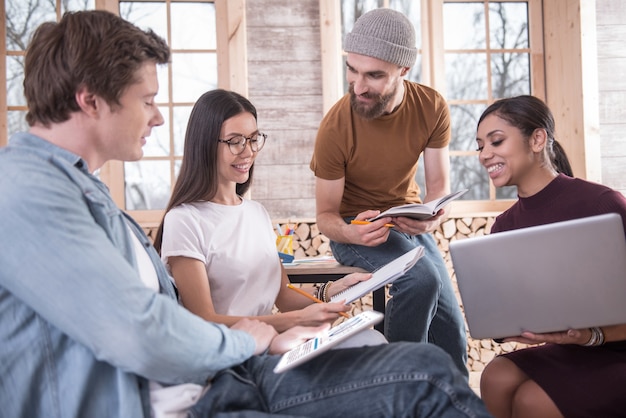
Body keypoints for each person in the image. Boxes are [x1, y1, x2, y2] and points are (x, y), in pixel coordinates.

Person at [0, 10, 493, 418]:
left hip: (221, 376)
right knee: (426, 379)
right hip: (209, 388)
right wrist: (253, 339)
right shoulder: (29, 191)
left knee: (426, 365)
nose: (156, 116)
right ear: (90, 100)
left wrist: (290, 321)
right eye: (147, 100)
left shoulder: (80, 189)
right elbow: (141, 331)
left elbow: (176, 312)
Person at [153, 89, 385, 347]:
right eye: (235, 141)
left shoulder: (256, 213)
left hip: (272, 344)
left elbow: (283, 295)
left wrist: (335, 288)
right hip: (233, 355)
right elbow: (204, 320)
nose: (248, 151)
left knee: (373, 339)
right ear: (205, 144)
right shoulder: (185, 220)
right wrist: (295, 320)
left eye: (253, 139)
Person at [310, 7, 468, 377]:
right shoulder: (335, 128)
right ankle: (398, 383)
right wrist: (351, 232)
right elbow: (326, 216)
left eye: (374, 75)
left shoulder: (430, 107)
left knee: (452, 335)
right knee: (421, 279)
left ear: (404, 71)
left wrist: (429, 217)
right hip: (355, 229)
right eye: (352, 70)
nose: (358, 86)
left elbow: (438, 187)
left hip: (406, 222)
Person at [475, 95, 626, 418]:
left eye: (496, 141)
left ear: (537, 139)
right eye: (479, 146)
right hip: (572, 348)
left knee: (533, 401)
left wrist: (591, 335)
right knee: (495, 376)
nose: (485, 154)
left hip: (617, 347)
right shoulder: (505, 226)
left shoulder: (602, 204)